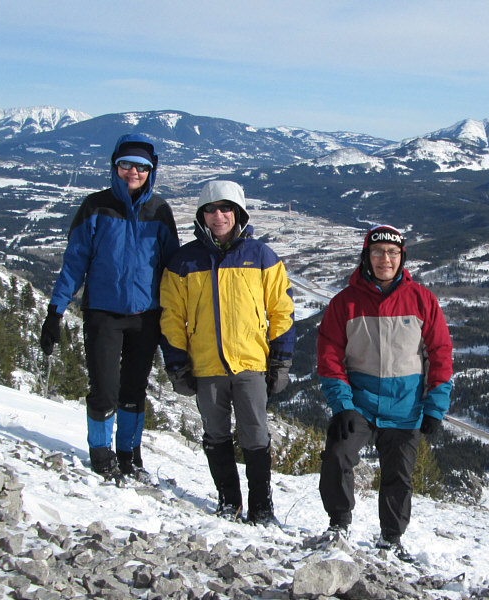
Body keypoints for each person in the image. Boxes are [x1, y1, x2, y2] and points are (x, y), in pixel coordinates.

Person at [39, 133, 179, 483]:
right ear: (115, 166)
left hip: (146, 316)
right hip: (103, 314)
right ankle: (101, 455)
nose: (133, 172)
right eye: (126, 164)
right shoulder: (95, 206)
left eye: (141, 167)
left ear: (152, 171)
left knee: (133, 390)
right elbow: (74, 262)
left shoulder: (159, 211)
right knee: (104, 388)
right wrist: (56, 311)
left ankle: (129, 455)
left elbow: (172, 269)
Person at [159, 179, 295, 524]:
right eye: (211, 210)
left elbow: (281, 309)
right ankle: (228, 503)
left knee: (255, 434)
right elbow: (171, 316)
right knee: (216, 434)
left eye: (226, 209)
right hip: (206, 364)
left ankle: (262, 507)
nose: (218, 216)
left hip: (250, 361)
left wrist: (280, 358)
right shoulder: (184, 261)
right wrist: (176, 361)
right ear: (201, 216)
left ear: (239, 213)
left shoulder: (261, 256)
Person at [317, 224, 453, 558]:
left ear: (402, 258)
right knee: (336, 456)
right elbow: (329, 355)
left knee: (398, 477)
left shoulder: (421, 300)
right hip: (359, 405)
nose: (385, 259)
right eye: (377, 252)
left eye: (392, 253)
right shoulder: (344, 303)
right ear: (366, 256)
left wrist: (435, 407)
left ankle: (391, 539)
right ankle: (339, 524)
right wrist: (342, 405)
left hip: (405, 407)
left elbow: (441, 353)